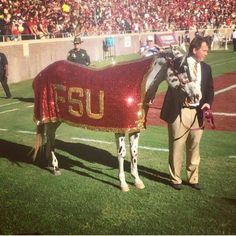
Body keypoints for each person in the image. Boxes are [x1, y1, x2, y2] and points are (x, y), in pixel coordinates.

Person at [160, 36, 214, 191]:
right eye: (204, 50)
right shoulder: (177, 64)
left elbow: (210, 89)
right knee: (177, 145)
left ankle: (193, 178)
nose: (206, 53)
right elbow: (171, 84)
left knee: (194, 146)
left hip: (198, 113)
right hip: (179, 112)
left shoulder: (206, 68)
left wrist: (207, 103)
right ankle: (175, 178)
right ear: (195, 50)